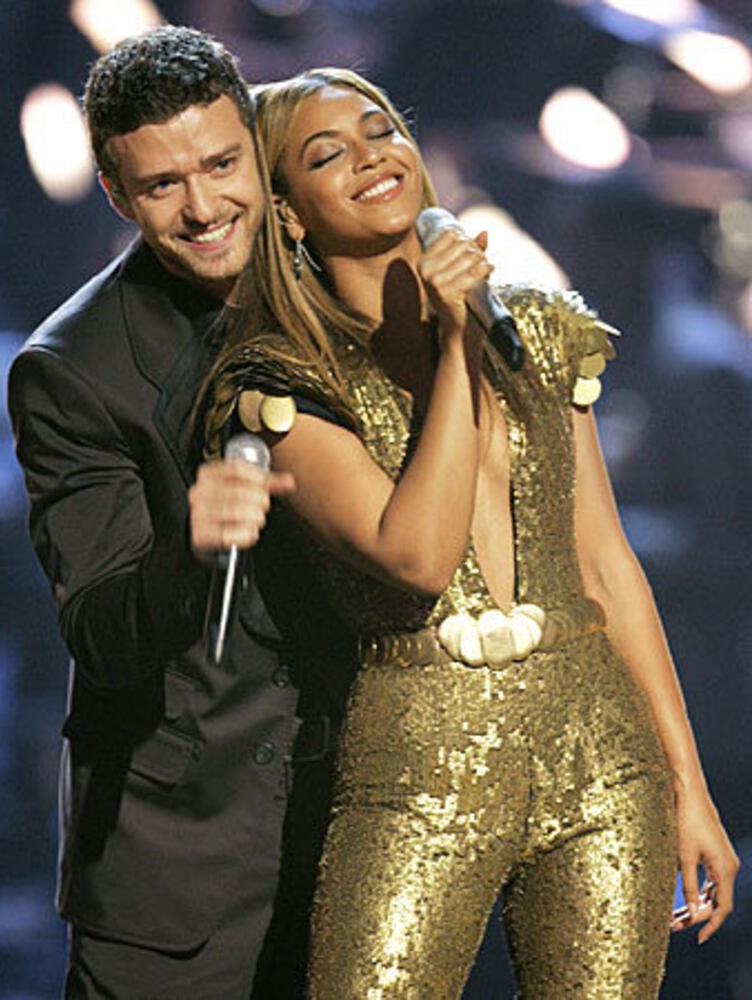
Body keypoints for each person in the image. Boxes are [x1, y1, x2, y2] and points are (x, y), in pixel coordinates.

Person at [203, 68, 740, 999]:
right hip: (420, 760)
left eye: (382, 131)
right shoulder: (285, 383)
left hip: (600, 752)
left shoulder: (539, 329)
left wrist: (689, 787)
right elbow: (414, 556)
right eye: (328, 155)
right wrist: (457, 346)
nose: (371, 158)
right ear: (287, 212)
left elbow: (607, 566)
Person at [7, 26, 302, 999]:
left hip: (358, 834)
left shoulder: (333, 278)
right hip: (179, 868)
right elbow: (100, 627)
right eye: (163, 184)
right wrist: (190, 543)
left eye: (220, 165)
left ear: (256, 148)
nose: (204, 207)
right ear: (116, 194)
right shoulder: (70, 370)